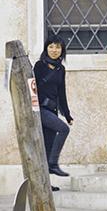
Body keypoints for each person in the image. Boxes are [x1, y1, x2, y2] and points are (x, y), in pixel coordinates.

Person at [34, 37, 73, 178]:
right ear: (46, 49)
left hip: (52, 110)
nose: (54, 50)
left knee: (47, 147)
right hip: (40, 110)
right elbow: (32, 89)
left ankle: (46, 185)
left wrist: (67, 115)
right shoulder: (39, 66)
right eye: (51, 47)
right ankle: (53, 164)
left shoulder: (60, 69)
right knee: (63, 129)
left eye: (57, 47)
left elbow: (61, 93)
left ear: (62, 50)